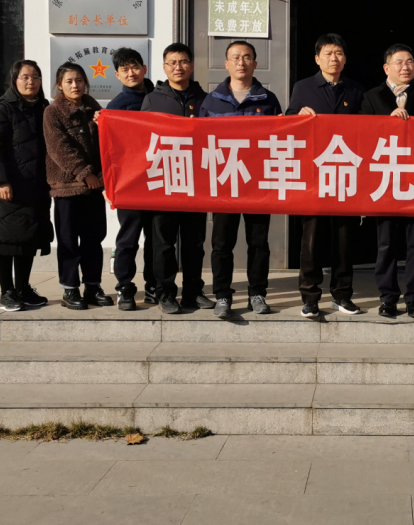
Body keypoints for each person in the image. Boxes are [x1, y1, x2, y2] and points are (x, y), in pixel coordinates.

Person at [199, 40, 283, 319]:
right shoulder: (212, 101)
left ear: (255, 64)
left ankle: (257, 294)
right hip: (224, 181)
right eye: (235, 57)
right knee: (222, 243)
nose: (241, 62)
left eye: (247, 57)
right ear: (226, 64)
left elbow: (280, 138)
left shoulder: (268, 99)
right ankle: (222, 295)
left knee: (258, 243)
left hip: (258, 183)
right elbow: (200, 142)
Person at [287, 33, 366, 318]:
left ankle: (342, 295)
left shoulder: (356, 89)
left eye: (339, 53)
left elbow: (368, 128)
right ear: (317, 58)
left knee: (344, 239)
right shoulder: (303, 87)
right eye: (329, 53)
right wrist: (298, 116)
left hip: (345, 174)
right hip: (313, 174)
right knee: (312, 238)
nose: (334, 58)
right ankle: (310, 297)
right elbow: (287, 121)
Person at [361, 43, 414, 319]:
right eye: (399, 62)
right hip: (385, 179)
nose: (405, 67)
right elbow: (361, 136)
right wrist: (387, 121)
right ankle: (387, 297)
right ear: (386, 68)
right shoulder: (371, 97)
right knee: (386, 244)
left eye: (410, 61)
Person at [141, 42, 212, 316]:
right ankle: (166, 293)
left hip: (196, 182)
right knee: (164, 243)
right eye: (172, 62)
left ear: (191, 66)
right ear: (164, 67)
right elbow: (139, 138)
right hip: (164, 181)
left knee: (194, 243)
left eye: (183, 62)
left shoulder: (207, 99)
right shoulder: (152, 100)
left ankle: (193, 291)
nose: (178, 67)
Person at [0, 60, 53, 312]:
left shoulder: (44, 107)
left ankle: (23, 289)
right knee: (5, 240)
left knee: (27, 239)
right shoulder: (4, 108)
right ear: (14, 80)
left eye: (35, 77)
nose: (30, 82)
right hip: (10, 186)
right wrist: (1, 180)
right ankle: (6, 292)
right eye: (25, 77)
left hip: (36, 186)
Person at [43, 62, 112, 311]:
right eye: (69, 81)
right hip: (67, 187)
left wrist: (102, 176)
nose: (75, 85)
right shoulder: (52, 112)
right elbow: (59, 148)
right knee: (69, 241)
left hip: (94, 187)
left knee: (94, 239)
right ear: (59, 85)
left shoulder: (95, 110)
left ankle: (93, 286)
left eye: (79, 80)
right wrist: (85, 173)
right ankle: (70, 289)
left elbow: (107, 143)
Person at [104, 47, 155, 311]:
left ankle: (155, 286)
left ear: (144, 68)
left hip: (159, 179)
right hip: (130, 183)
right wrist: (109, 184)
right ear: (117, 75)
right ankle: (125, 287)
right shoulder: (116, 107)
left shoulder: (160, 98)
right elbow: (107, 150)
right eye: (124, 69)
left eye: (135, 67)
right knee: (128, 238)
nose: (131, 73)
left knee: (158, 239)